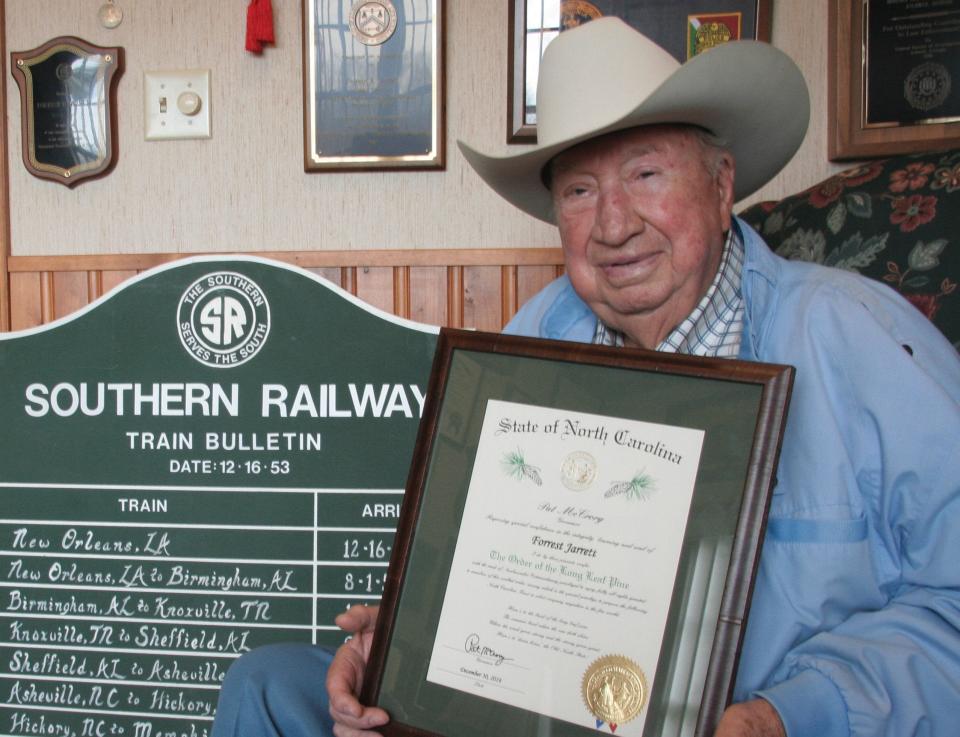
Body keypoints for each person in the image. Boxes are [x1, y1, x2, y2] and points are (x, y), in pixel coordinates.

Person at [211, 17, 960, 737]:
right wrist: (402, 640)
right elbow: (468, 566)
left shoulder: (853, 334)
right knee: (272, 683)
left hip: (762, 716)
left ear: (723, 185)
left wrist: (789, 714)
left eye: (645, 174)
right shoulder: (526, 343)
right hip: (539, 704)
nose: (613, 224)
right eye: (578, 191)